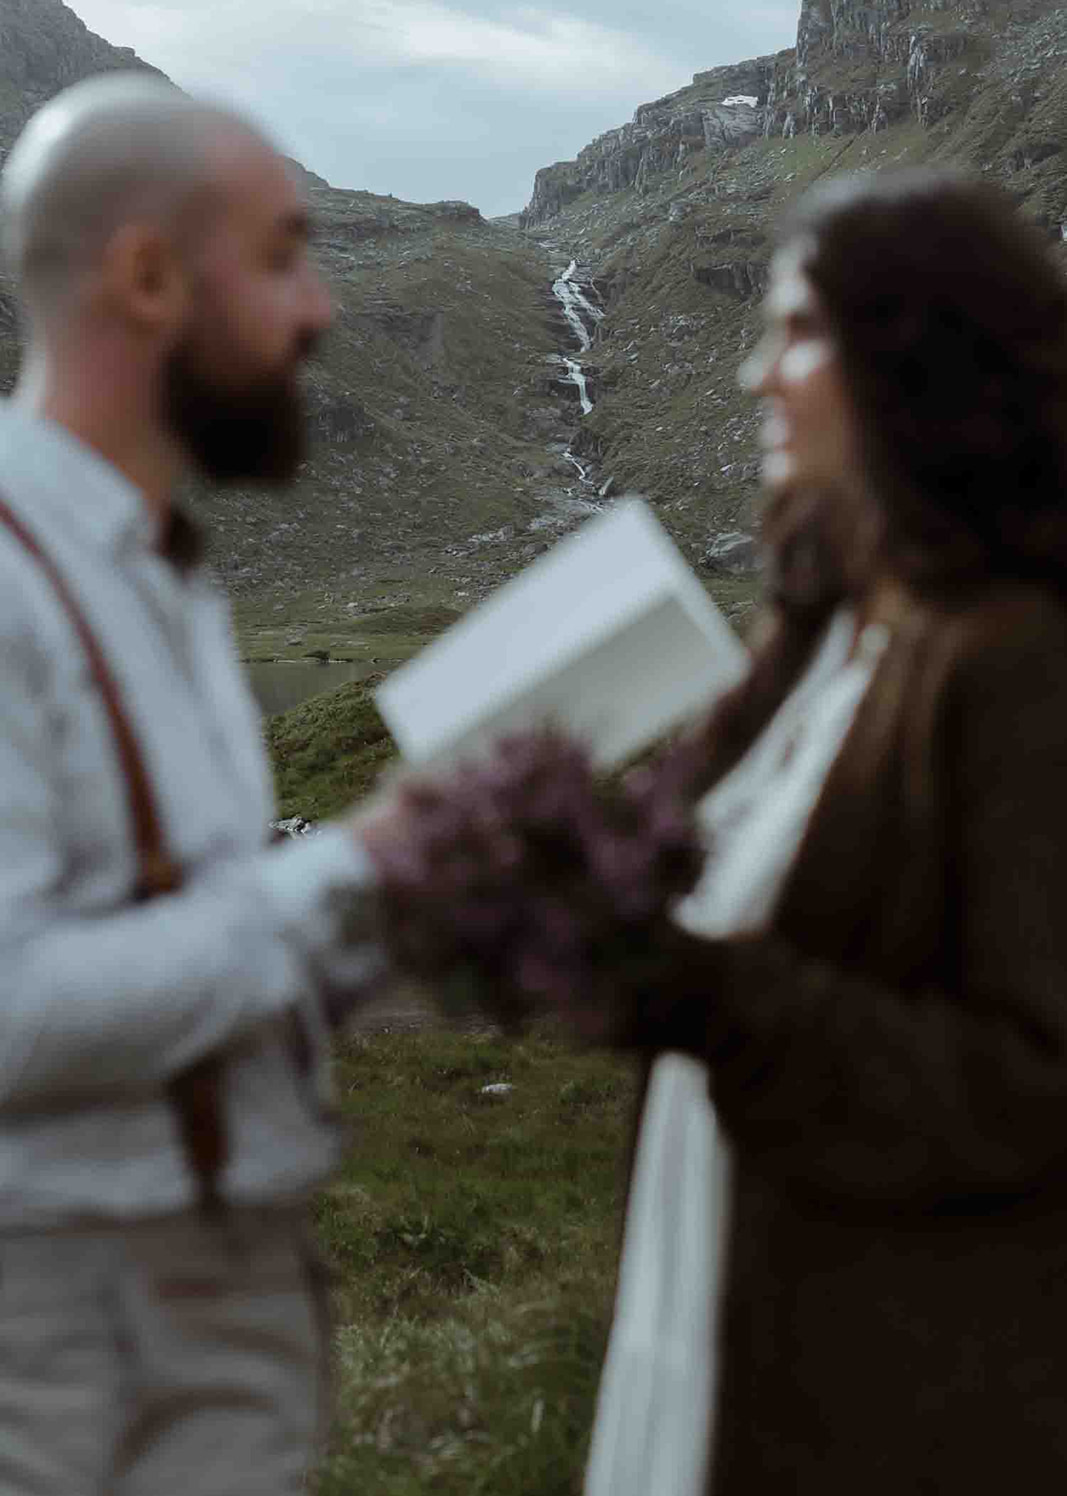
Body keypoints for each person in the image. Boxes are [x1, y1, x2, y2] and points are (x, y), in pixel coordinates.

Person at [362, 169, 1067, 1493]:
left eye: (797, 332)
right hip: (718, 1301)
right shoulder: (821, 638)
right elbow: (675, 912)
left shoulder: (1021, 667)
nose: (755, 376)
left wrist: (700, 992)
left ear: (920, 357)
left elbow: (1030, 1088)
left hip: (908, 1396)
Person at [0, 73, 385, 1496]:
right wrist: (363, 867)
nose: (321, 309)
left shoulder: (159, 572)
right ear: (148, 277)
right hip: (69, 1337)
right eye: (283, 256)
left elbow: (206, 935)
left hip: (194, 1301)